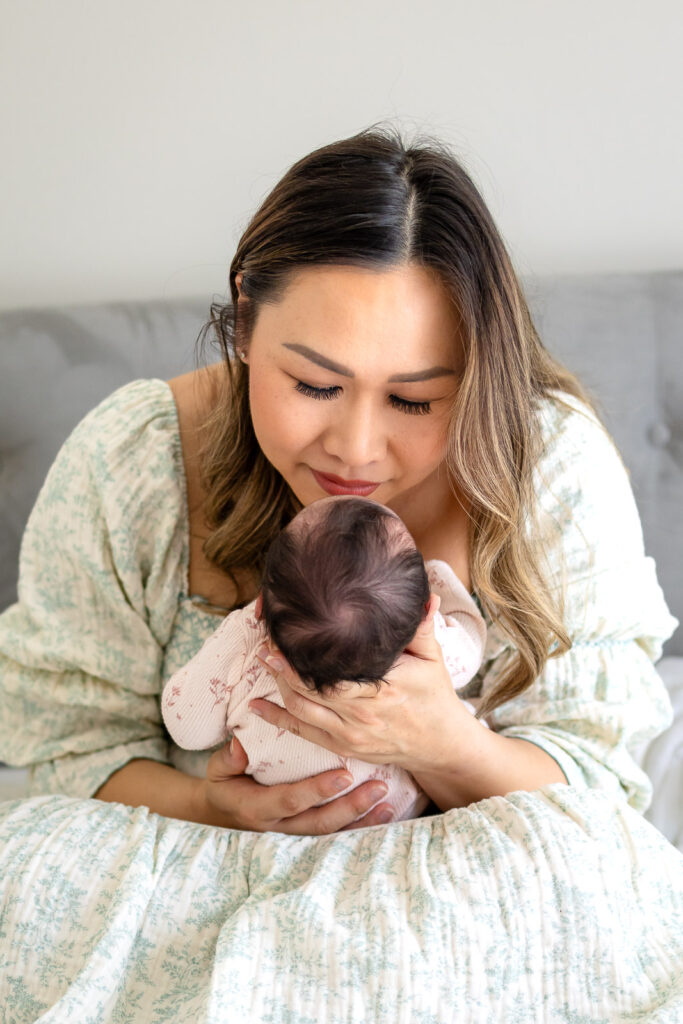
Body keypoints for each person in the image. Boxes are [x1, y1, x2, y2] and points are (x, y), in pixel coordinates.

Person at [0, 127, 677, 838]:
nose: (354, 453)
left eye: (413, 400)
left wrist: (444, 745)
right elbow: (70, 749)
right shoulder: (136, 459)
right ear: (244, 319)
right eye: (315, 384)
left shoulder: (549, 470)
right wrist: (213, 807)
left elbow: (596, 786)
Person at [161, 494, 488, 822]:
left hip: (275, 829)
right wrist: (437, 575)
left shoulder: (252, 660)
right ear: (426, 610)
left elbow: (187, 728)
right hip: (400, 820)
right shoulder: (424, 654)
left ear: (261, 605)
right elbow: (471, 646)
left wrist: (242, 628)